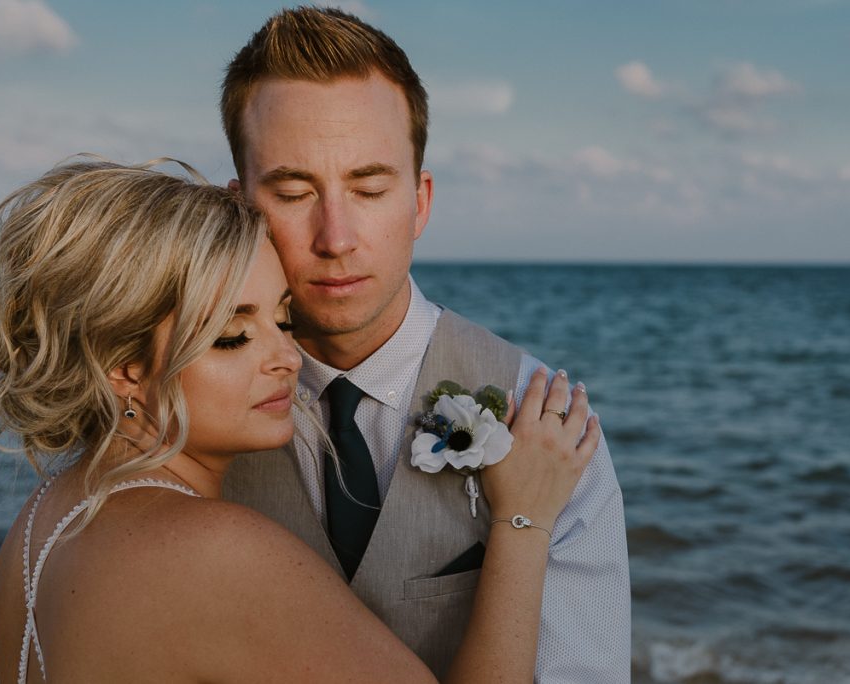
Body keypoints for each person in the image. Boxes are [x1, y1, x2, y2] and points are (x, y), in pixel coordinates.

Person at [0, 158, 599, 682]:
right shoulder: (216, 551)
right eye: (230, 335)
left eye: (281, 317)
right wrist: (524, 521)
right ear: (123, 365)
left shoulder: (40, 526)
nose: (285, 357)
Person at [218, 7, 631, 681]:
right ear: (237, 208)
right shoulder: (177, 414)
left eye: (370, 187)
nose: (337, 236)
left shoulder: (544, 421)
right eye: (293, 192)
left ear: (421, 201)